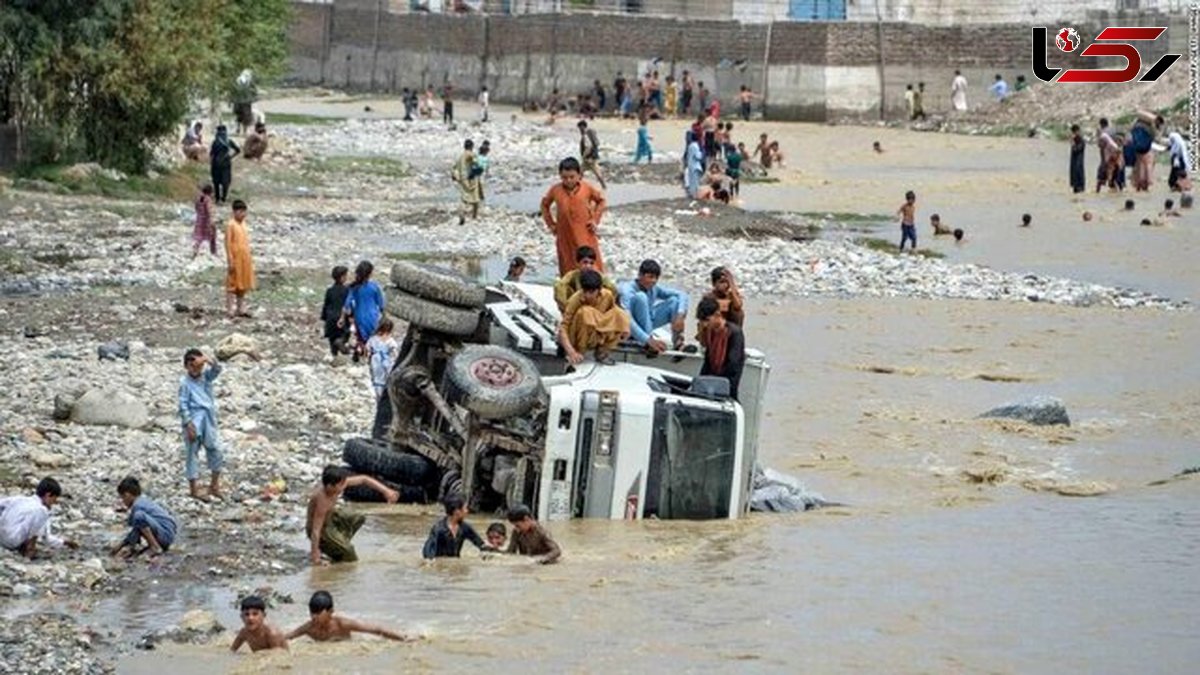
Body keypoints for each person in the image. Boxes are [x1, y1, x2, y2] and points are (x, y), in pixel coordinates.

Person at [307, 465, 398, 565]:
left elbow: (364, 479)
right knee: (350, 555)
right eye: (340, 485)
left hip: (330, 517)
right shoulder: (322, 500)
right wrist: (315, 554)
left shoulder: (337, 484)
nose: (343, 487)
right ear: (330, 486)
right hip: (322, 530)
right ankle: (336, 549)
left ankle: (338, 546)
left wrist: (386, 491)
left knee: (357, 518)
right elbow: (315, 530)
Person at [541, 157, 607, 276]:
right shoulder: (556, 190)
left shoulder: (586, 188)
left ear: (579, 175)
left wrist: (595, 220)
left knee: (590, 263)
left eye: (572, 177)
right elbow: (545, 205)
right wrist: (551, 224)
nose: (568, 180)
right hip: (564, 235)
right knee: (568, 266)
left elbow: (601, 201)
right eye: (564, 177)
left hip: (585, 234)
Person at [178, 348, 225, 500]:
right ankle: (193, 489)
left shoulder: (206, 377)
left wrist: (206, 359)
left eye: (197, 364)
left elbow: (217, 369)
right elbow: (183, 405)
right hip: (194, 420)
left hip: (208, 419)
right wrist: (188, 424)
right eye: (191, 364)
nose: (195, 368)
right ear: (186, 366)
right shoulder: (185, 383)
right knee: (192, 453)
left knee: (215, 449)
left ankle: (214, 485)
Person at [558, 269, 630, 365]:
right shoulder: (574, 300)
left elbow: (613, 315)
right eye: (585, 291)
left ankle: (602, 353)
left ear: (599, 290)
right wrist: (571, 351)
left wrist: (625, 327)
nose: (587, 295)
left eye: (591, 292)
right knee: (585, 312)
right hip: (577, 337)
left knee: (620, 315)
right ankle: (579, 352)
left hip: (596, 334)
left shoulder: (607, 296)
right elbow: (563, 327)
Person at [618, 259, 689, 354]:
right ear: (640, 275)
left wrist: (680, 315)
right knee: (641, 297)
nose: (653, 281)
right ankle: (648, 343)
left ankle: (678, 342)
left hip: (648, 321)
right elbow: (627, 319)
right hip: (630, 328)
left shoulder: (654, 288)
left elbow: (682, 294)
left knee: (674, 301)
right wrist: (648, 340)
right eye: (650, 277)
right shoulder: (627, 290)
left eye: (656, 278)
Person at [287, 591, 413, 643]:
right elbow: (288, 637)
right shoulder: (309, 628)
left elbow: (376, 630)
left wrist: (403, 638)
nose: (314, 617)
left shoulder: (342, 624)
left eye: (318, 613)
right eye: (312, 613)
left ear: (331, 611)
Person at [0, 477, 75, 558]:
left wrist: (63, 543)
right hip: (12, 541)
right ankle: (30, 549)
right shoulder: (41, 510)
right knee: (41, 513)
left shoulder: (20, 499)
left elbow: (47, 538)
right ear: (48, 495)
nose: (54, 503)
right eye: (54, 499)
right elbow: (44, 538)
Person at [111, 477, 177, 559]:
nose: (123, 501)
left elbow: (137, 524)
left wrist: (125, 545)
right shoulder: (143, 501)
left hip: (165, 534)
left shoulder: (137, 506)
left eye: (122, 497)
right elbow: (136, 529)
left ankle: (155, 546)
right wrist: (122, 545)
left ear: (127, 495)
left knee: (138, 516)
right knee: (139, 521)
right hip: (167, 533)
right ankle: (153, 545)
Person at [696, 297, 746, 401]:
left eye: (707, 320)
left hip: (727, 387)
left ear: (717, 315)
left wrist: (715, 381)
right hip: (711, 385)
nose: (705, 324)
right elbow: (708, 361)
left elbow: (733, 365)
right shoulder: (711, 332)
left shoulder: (734, 333)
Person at [422, 494, 494, 559]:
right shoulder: (438, 529)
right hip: (441, 569)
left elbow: (480, 544)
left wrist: (494, 551)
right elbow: (427, 552)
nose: (467, 511)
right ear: (457, 511)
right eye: (465, 508)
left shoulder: (464, 528)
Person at [340, 260, 385, 362]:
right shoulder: (374, 287)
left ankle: (358, 354)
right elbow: (381, 304)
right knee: (373, 339)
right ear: (370, 274)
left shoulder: (354, 287)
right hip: (373, 317)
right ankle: (370, 358)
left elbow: (347, 304)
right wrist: (384, 317)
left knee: (361, 338)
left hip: (359, 317)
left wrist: (343, 318)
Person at [554, 245, 617, 311]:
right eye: (585, 262)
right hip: (576, 308)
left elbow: (613, 289)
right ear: (578, 263)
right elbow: (559, 286)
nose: (588, 266)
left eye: (591, 263)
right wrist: (567, 306)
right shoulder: (573, 275)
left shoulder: (598, 276)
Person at [224, 199, 255, 318]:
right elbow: (227, 243)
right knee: (232, 284)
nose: (243, 215)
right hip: (235, 258)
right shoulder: (230, 225)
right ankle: (230, 309)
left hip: (245, 257)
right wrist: (230, 259)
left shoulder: (243, 224)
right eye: (241, 212)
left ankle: (240, 308)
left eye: (244, 212)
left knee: (243, 284)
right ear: (235, 212)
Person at [322, 266, 351, 358]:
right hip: (342, 318)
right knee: (344, 335)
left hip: (330, 318)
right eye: (346, 275)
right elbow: (348, 305)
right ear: (342, 277)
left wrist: (324, 317)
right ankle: (341, 342)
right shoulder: (347, 290)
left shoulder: (329, 290)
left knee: (332, 338)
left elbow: (326, 305)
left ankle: (334, 356)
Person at [1131, 110, 1163, 191]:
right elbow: (1155, 137)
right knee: (1147, 165)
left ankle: (1138, 186)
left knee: (1139, 165)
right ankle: (1147, 185)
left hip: (1137, 147)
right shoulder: (1151, 126)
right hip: (1146, 148)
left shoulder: (1137, 125)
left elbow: (1131, 130)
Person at [452, 139, 482, 226]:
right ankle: (474, 216)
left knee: (464, 198)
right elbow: (476, 163)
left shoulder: (460, 157)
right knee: (476, 199)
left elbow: (454, 168)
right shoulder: (470, 154)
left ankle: (462, 212)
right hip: (470, 179)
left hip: (462, 179)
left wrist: (456, 178)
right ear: (471, 146)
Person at [367, 318, 398, 399]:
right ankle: (386, 395)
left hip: (375, 361)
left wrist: (369, 358)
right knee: (387, 378)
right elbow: (395, 353)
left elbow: (368, 351)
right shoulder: (390, 341)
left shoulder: (373, 339)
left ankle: (378, 395)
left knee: (377, 378)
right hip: (387, 361)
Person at [209, 125, 240, 205]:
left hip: (216, 164)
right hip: (226, 164)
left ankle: (217, 198)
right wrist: (230, 157)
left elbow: (211, 154)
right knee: (225, 182)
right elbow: (238, 150)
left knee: (216, 182)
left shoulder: (215, 142)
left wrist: (211, 163)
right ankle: (223, 199)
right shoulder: (229, 141)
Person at [577, 120, 607, 189]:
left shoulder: (586, 135)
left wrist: (584, 156)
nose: (579, 130)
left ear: (582, 127)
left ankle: (576, 187)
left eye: (580, 128)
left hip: (588, 158)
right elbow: (596, 144)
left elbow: (588, 147)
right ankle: (604, 187)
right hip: (593, 157)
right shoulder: (591, 133)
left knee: (580, 172)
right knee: (596, 173)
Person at [192, 184, 216, 258]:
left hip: (199, 220)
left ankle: (196, 247)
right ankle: (213, 251)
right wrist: (212, 219)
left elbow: (196, 207)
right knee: (212, 234)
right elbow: (209, 210)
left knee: (199, 235)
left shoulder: (199, 198)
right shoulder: (208, 199)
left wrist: (199, 213)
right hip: (207, 220)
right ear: (210, 192)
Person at [1096, 118, 1120, 192]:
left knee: (1100, 179)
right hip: (1115, 157)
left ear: (1101, 124)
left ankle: (1097, 192)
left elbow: (1100, 145)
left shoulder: (1103, 133)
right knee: (1113, 178)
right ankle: (1117, 192)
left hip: (1105, 159)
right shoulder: (1113, 131)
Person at [1069, 124, 1086, 194]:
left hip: (1078, 166)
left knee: (1079, 186)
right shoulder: (1075, 140)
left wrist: (1072, 143)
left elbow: (1077, 150)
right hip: (1075, 166)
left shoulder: (1081, 141)